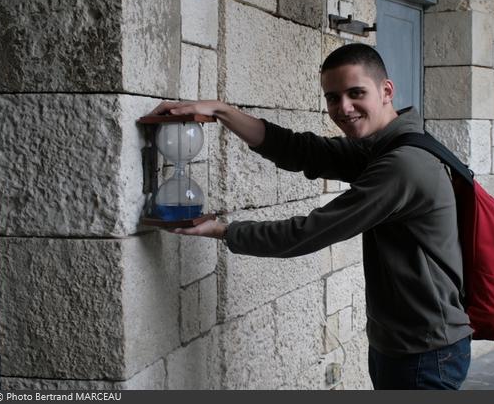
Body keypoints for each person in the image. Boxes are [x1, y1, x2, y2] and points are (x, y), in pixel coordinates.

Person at [149, 43, 472, 390]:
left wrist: (224, 231)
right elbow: (303, 150)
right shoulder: (384, 148)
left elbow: (309, 232)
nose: (344, 108)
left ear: (386, 91)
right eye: (333, 98)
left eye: (356, 93)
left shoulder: (403, 165)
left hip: (424, 350)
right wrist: (223, 111)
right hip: (405, 341)